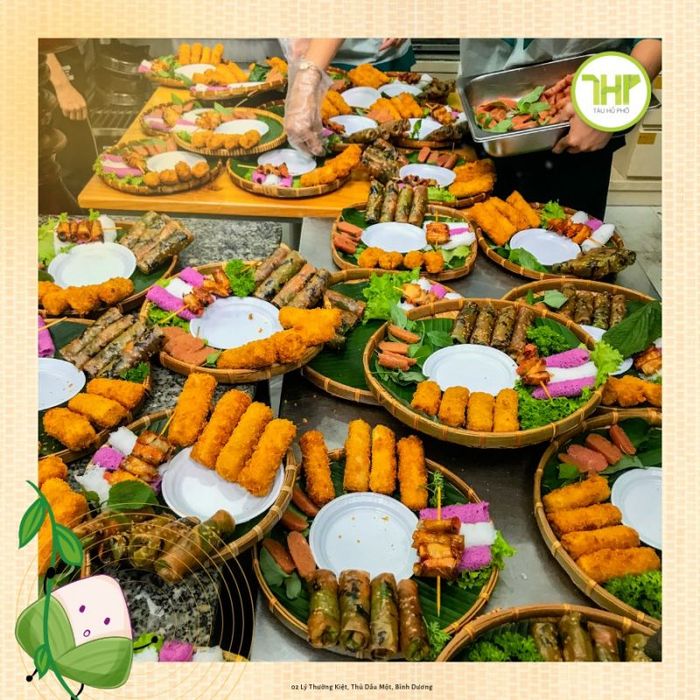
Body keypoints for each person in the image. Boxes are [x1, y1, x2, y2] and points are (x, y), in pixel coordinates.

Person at [283, 38, 661, 217]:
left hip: (579, 118)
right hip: (489, 109)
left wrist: (607, 108)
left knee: (564, 251)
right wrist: (309, 76)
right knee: (482, 236)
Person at [46, 43, 98, 200]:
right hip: (53, 60)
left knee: (80, 160)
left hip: (64, 53)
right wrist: (63, 86)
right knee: (75, 165)